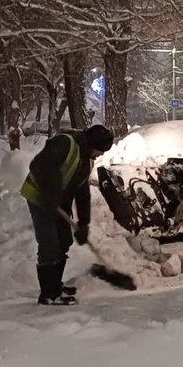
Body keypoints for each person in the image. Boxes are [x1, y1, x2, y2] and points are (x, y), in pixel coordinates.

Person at [20, 124, 114, 305]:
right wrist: (50, 194)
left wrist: (84, 223)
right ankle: (48, 294)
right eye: (100, 150)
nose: (100, 155)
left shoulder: (85, 160)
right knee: (50, 244)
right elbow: (38, 165)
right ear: (93, 144)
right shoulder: (65, 143)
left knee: (64, 240)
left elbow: (82, 192)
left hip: (57, 201)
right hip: (39, 197)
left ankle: (55, 285)